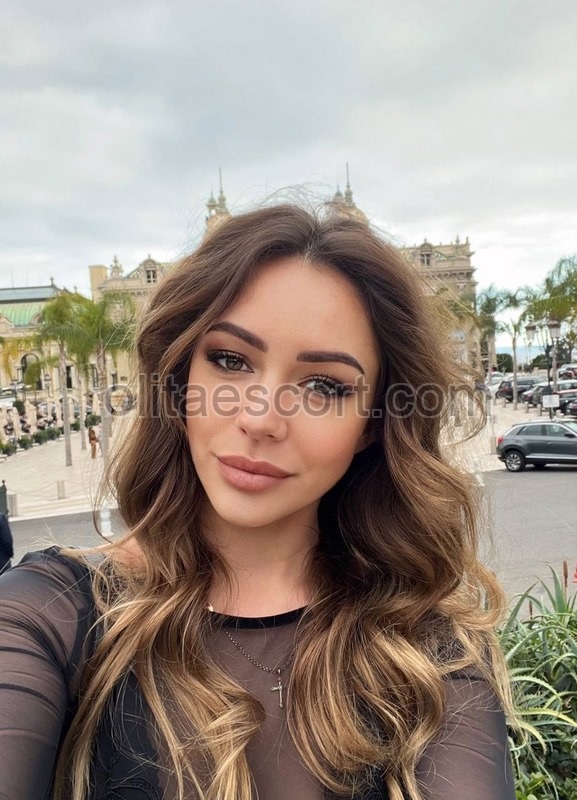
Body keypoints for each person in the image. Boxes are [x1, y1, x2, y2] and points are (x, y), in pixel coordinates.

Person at [0, 204, 516, 800]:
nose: (260, 418)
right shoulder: (49, 618)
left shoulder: (426, 650)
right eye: (230, 360)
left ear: (373, 423)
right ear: (179, 379)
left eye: (324, 386)